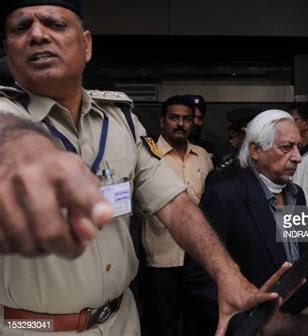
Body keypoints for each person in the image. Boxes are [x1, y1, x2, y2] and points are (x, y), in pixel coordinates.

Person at [0, 2, 281, 335]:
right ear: (7, 51)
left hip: (122, 321)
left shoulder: (119, 121)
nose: (36, 35)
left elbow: (174, 204)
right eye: (20, 28)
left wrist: (228, 277)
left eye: (55, 24)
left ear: (86, 45)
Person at [183, 110, 308, 336]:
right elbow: (200, 280)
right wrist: (255, 324)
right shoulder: (224, 197)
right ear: (255, 150)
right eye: (286, 147)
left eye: (298, 148)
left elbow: (300, 257)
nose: (298, 157)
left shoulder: (296, 194)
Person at [141, 95, 213, 336]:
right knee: (164, 326)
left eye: (187, 119)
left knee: (198, 322)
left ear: (194, 123)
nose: (181, 124)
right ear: (163, 120)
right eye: (174, 118)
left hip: (198, 258)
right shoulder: (147, 155)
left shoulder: (202, 155)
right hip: (162, 259)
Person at [205, 108, 260, 187]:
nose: (258, 138)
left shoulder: (271, 166)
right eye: (251, 133)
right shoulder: (222, 175)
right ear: (235, 135)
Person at [184, 94, 220, 166]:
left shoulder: (208, 148)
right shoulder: (171, 147)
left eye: (200, 118)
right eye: (193, 117)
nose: (196, 122)